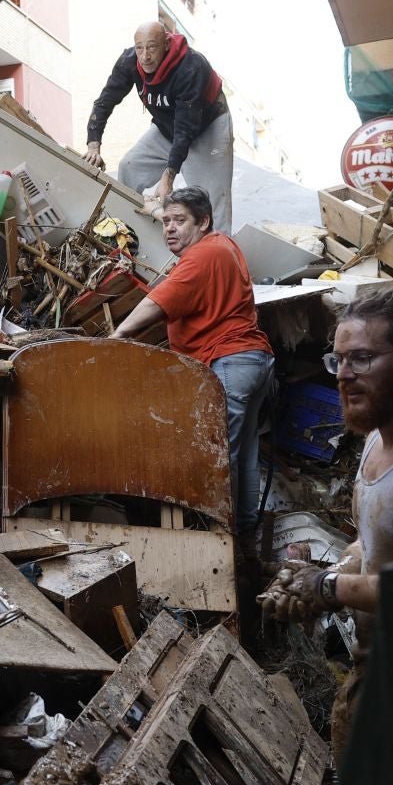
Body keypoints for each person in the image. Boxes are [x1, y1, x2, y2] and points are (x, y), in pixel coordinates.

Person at [259, 288, 393, 755]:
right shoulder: (377, 438)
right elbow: (376, 547)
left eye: (363, 359)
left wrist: (328, 588)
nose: (344, 376)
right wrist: (321, 575)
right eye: (338, 361)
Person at [112, 186, 275, 538]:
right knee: (243, 456)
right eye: (166, 222)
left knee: (217, 458)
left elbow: (157, 303)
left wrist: (116, 337)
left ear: (203, 222)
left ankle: (217, 539)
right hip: (252, 360)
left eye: (179, 221)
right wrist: (158, 207)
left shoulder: (200, 257)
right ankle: (243, 540)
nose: (169, 228)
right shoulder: (222, 244)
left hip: (230, 361)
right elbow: (169, 216)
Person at [80, 22, 234, 232]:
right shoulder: (130, 61)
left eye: (152, 47)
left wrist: (168, 176)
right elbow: (105, 101)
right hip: (166, 127)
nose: (145, 56)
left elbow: (185, 128)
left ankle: (219, 257)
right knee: (129, 167)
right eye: (139, 48)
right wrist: (93, 144)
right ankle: (125, 234)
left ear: (166, 45)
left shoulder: (190, 67)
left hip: (207, 127)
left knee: (211, 202)